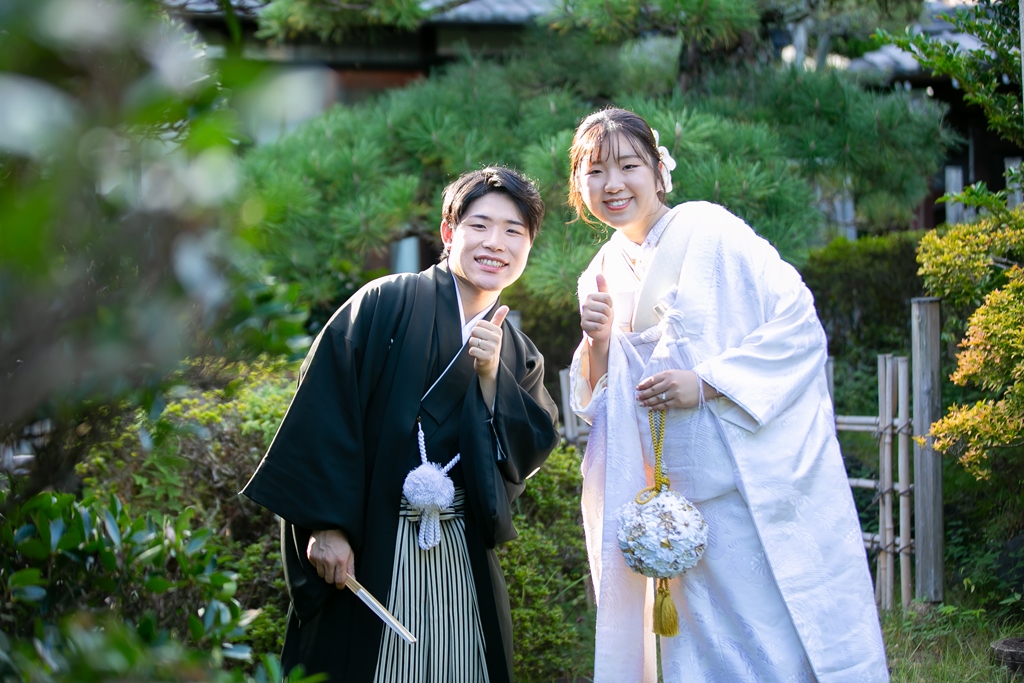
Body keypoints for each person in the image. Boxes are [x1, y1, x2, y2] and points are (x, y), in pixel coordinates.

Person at [567, 108, 889, 682]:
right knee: (697, 654)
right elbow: (599, 402)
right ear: (578, 185)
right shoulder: (601, 269)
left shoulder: (710, 231)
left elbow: (797, 323)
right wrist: (598, 343)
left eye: (628, 166)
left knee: (770, 641)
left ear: (659, 171)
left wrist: (706, 382)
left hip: (743, 487)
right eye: (595, 172)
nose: (612, 184)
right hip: (668, 502)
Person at [242, 166, 560, 683]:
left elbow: (522, 459)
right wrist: (325, 525)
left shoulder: (519, 355)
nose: (495, 243)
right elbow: (325, 407)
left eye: (513, 231)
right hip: (370, 543)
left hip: (460, 552)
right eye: (479, 225)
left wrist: (491, 379)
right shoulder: (386, 302)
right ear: (449, 232)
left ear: (528, 246)